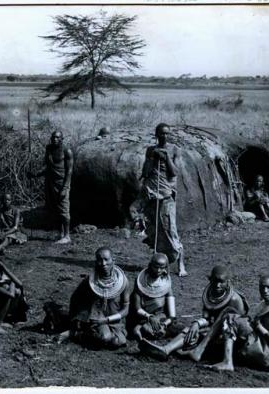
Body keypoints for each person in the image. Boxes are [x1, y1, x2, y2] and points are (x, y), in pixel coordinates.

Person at [141, 265, 248, 361]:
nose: (218, 285)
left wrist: (213, 333)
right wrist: (197, 324)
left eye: (221, 282)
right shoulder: (210, 294)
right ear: (210, 280)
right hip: (213, 331)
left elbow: (236, 326)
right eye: (215, 281)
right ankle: (165, 350)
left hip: (229, 338)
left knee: (197, 336)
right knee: (191, 330)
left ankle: (196, 350)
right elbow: (206, 317)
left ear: (228, 282)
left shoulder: (234, 299)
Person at [207, 275, 269, 371]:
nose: (265, 291)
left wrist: (260, 328)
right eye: (262, 287)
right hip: (262, 340)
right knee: (229, 318)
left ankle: (228, 362)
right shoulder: (265, 304)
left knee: (231, 318)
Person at [139, 123, 187, 276]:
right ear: (156, 135)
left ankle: (181, 265)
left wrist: (166, 158)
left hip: (167, 194)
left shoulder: (174, 150)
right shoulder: (150, 150)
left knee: (170, 229)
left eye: (167, 133)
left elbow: (175, 172)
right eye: (161, 133)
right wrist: (153, 158)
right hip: (152, 193)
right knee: (155, 228)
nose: (164, 136)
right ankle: (157, 263)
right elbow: (145, 172)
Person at [69, 247, 130, 349]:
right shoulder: (90, 281)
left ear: (113, 260)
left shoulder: (123, 281)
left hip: (113, 319)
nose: (103, 263)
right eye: (99, 260)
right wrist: (78, 319)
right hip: (96, 319)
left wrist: (107, 320)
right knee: (105, 338)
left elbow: (126, 310)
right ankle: (77, 334)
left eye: (106, 259)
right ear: (96, 262)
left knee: (117, 342)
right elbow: (75, 298)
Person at [128, 253, 183, 346]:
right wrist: (149, 317)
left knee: (180, 328)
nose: (158, 270)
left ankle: (147, 331)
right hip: (144, 317)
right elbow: (137, 308)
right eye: (156, 267)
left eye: (162, 268)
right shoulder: (141, 281)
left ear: (166, 267)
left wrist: (165, 324)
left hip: (161, 318)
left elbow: (172, 315)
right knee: (146, 329)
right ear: (150, 265)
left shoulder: (166, 283)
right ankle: (142, 329)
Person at [30, 131, 74, 244]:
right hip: (50, 182)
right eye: (53, 137)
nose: (55, 139)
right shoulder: (48, 148)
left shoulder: (67, 151)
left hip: (62, 183)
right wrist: (35, 174)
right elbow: (47, 167)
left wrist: (65, 187)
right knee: (55, 208)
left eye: (57, 137)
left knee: (64, 209)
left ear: (62, 139)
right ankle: (61, 233)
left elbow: (69, 171)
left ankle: (67, 236)